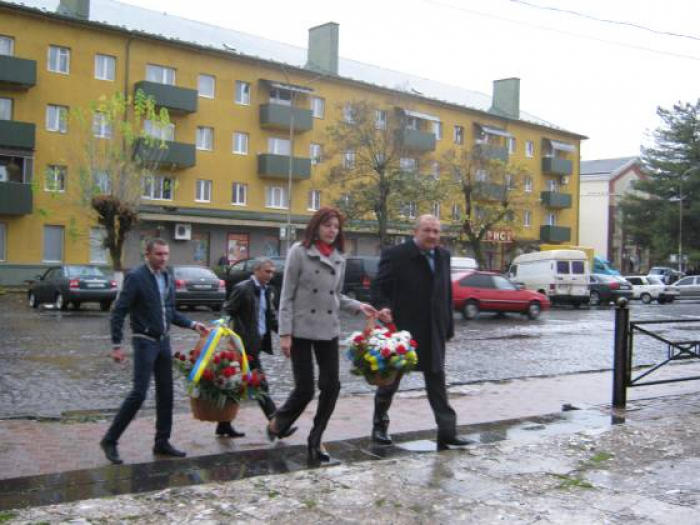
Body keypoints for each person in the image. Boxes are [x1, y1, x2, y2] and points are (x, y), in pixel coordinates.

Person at [266, 207, 376, 463]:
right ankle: (278, 422)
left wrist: (359, 307)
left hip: (328, 330)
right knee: (304, 389)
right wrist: (285, 333)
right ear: (316, 226)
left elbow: (336, 295)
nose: (332, 230)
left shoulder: (339, 257)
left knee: (331, 386)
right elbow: (287, 295)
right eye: (327, 225)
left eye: (336, 227)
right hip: (302, 330)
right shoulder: (299, 252)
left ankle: (316, 438)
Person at [100, 239, 208, 465]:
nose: (163, 258)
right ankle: (110, 439)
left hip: (163, 342)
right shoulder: (136, 277)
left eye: (166, 254)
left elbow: (170, 312)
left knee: (166, 394)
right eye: (158, 254)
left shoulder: (167, 276)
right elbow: (119, 311)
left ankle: (162, 441)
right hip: (144, 341)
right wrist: (116, 345)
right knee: (139, 393)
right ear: (147, 254)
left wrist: (193, 325)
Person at [372, 215, 469, 451]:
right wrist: (384, 307)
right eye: (427, 230)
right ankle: (379, 427)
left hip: (433, 329)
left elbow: (445, 293)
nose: (432, 236)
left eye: (436, 231)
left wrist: (448, 327)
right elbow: (379, 287)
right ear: (415, 231)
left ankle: (447, 432)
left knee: (437, 382)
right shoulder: (396, 255)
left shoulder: (443, 256)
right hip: (402, 330)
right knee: (390, 382)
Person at [217, 257, 297, 439]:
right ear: (256, 271)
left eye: (272, 272)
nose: (270, 275)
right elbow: (227, 309)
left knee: (236, 385)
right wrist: (224, 328)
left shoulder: (267, 291)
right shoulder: (242, 289)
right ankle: (278, 427)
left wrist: (285, 333)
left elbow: (270, 317)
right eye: (267, 271)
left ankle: (223, 425)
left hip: (255, 345)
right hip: (242, 346)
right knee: (260, 386)